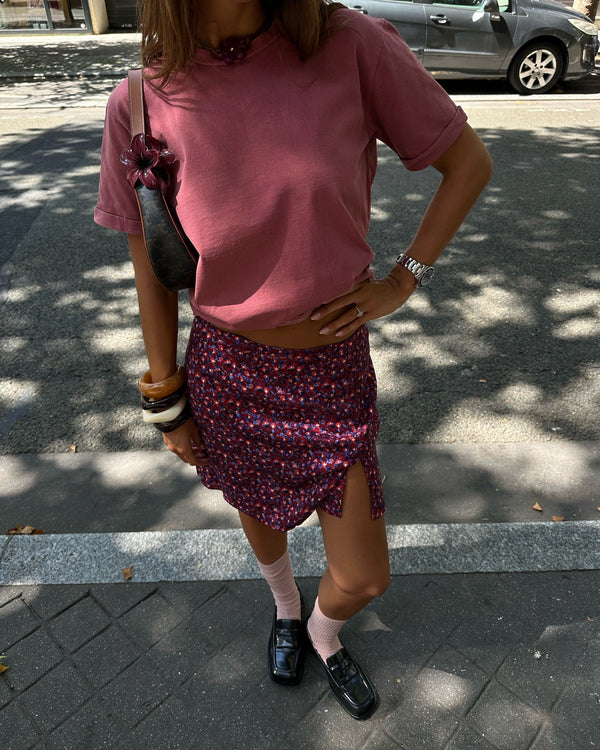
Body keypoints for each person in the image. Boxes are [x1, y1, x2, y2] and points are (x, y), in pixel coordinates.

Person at [95, 0, 492, 720]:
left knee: (364, 576)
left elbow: (467, 163)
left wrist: (403, 279)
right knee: (258, 510)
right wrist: (166, 401)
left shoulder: (350, 43)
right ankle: (284, 606)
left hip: (332, 369)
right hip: (227, 371)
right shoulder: (141, 99)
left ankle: (322, 630)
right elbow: (151, 267)